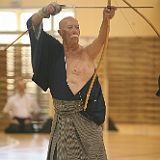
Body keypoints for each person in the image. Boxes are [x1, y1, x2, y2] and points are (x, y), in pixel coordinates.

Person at [27, 2, 116, 160]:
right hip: (63, 119)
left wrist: (105, 19)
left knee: (95, 156)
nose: (75, 30)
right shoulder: (53, 54)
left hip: (86, 118)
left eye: (77, 27)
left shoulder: (87, 54)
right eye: (70, 27)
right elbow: (33, 24)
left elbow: (101, 39)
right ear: (61, 33)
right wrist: (44, 11)